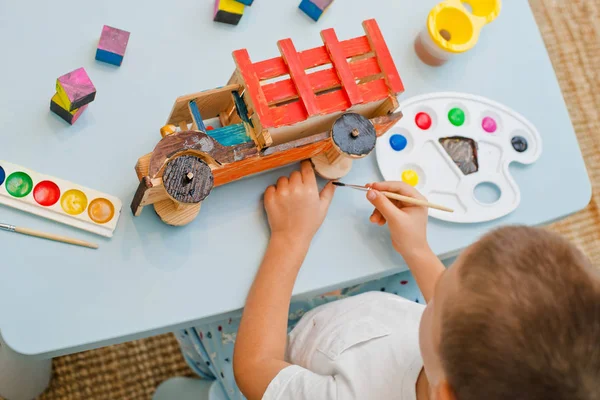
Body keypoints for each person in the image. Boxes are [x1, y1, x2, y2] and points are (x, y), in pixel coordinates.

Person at [233, 160, 600, 400]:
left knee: (215, 326)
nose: (435, 282)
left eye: (439, 292)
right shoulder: (463, 364)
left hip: (287, 356)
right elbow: (464, 317)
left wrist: (289, 240)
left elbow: (253, 370)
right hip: (356, 329)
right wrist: (418, 249)